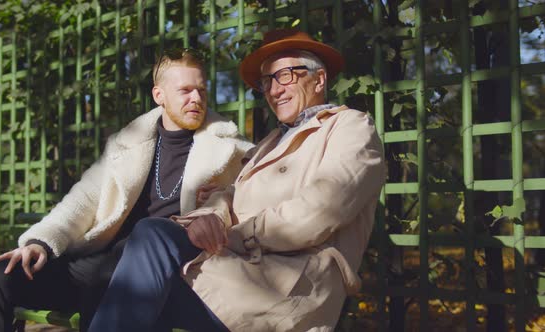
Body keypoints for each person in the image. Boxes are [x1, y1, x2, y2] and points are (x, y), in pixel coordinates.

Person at [89, 28, 385, 332]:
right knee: (145, 245)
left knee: (132, 286)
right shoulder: (271, 141)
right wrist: (210, 217)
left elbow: (321, 210)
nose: (274, 90)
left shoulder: (351, 127)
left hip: (284, 290)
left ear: (319, 79)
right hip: (234, 271)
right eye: (267, 81)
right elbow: (229, 194)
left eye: (285, 76)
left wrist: (235, 235)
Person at [0, 48, 253, 332]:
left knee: (109, 278)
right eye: (185, 90)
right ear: (159, 95)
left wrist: (220, 200)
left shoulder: (229, 150)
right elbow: (82, 199)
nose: (196, 99)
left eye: (202, 91)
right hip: (92, 266)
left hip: (150, 278)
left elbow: (253, 198)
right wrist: (39, 242)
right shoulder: (128, 144)